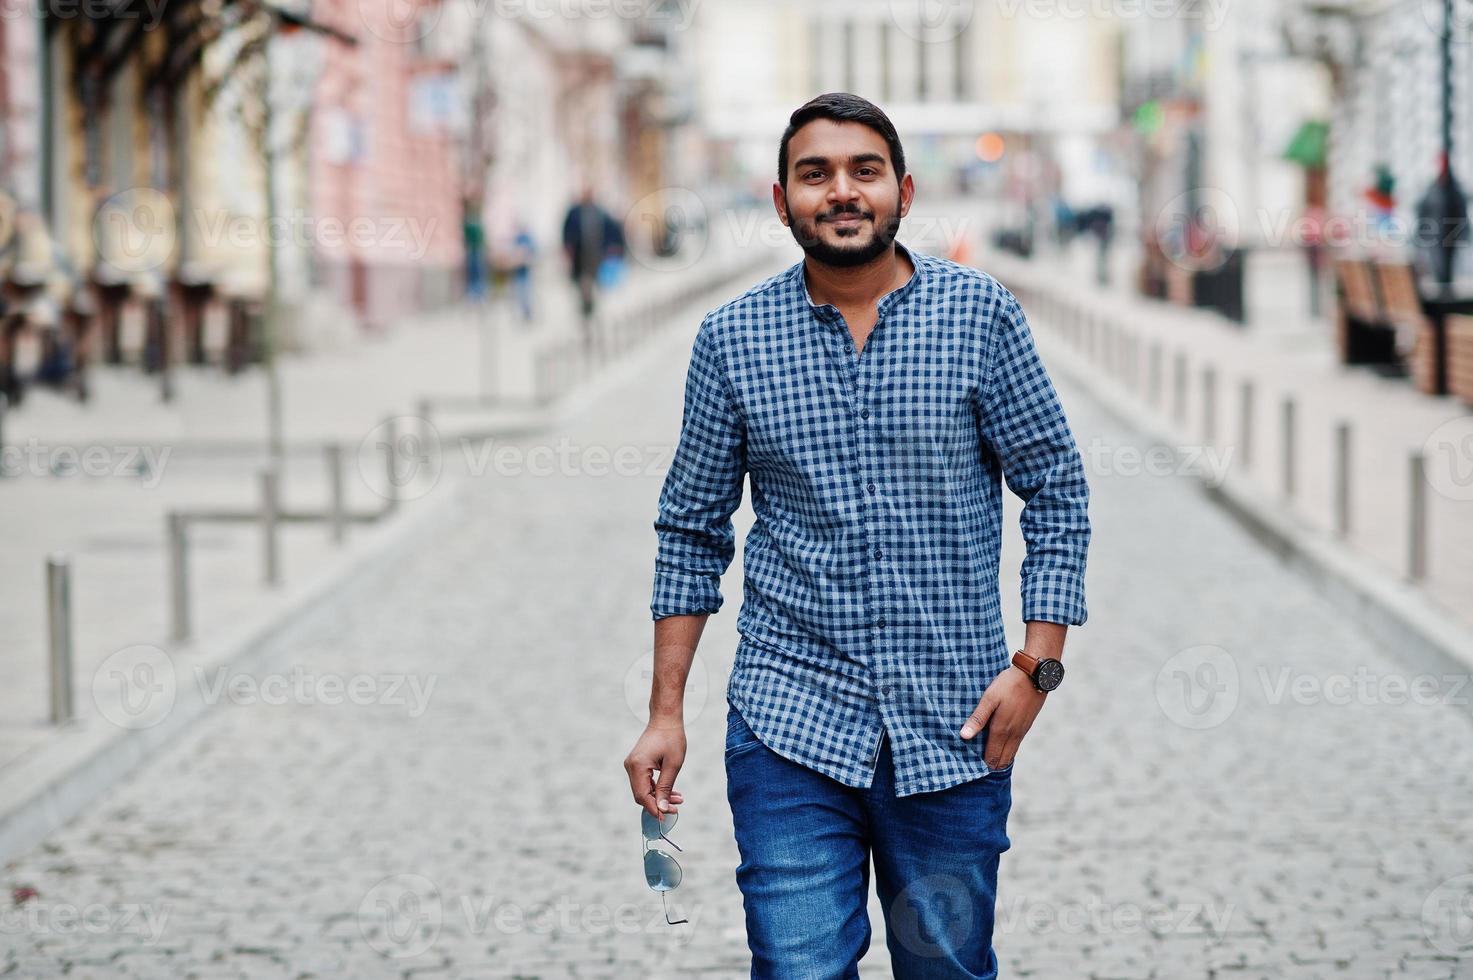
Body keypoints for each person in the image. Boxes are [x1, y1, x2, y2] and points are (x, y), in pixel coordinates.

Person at [624, 92, 1092, 978]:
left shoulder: (979, 318)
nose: (841, 191)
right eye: (815, 174)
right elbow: (690, 530)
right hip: (787, 726)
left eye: (863, 171)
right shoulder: (732, 340)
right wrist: (662, 714)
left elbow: (1056, 490)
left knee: (945, 970)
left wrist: (1037, 666)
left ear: (903, 192)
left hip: (955, 725)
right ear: (781, 200)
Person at [560, 184, 625, 352]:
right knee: (585, 296)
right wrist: (567, 251)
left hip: (598, 263)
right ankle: (587, 329)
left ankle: (597, 328)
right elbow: (566, 235)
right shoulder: (574, 213)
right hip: (582, 265)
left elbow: (613, 231)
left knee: (598, 296)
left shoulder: (600, 213)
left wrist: (614, 249)